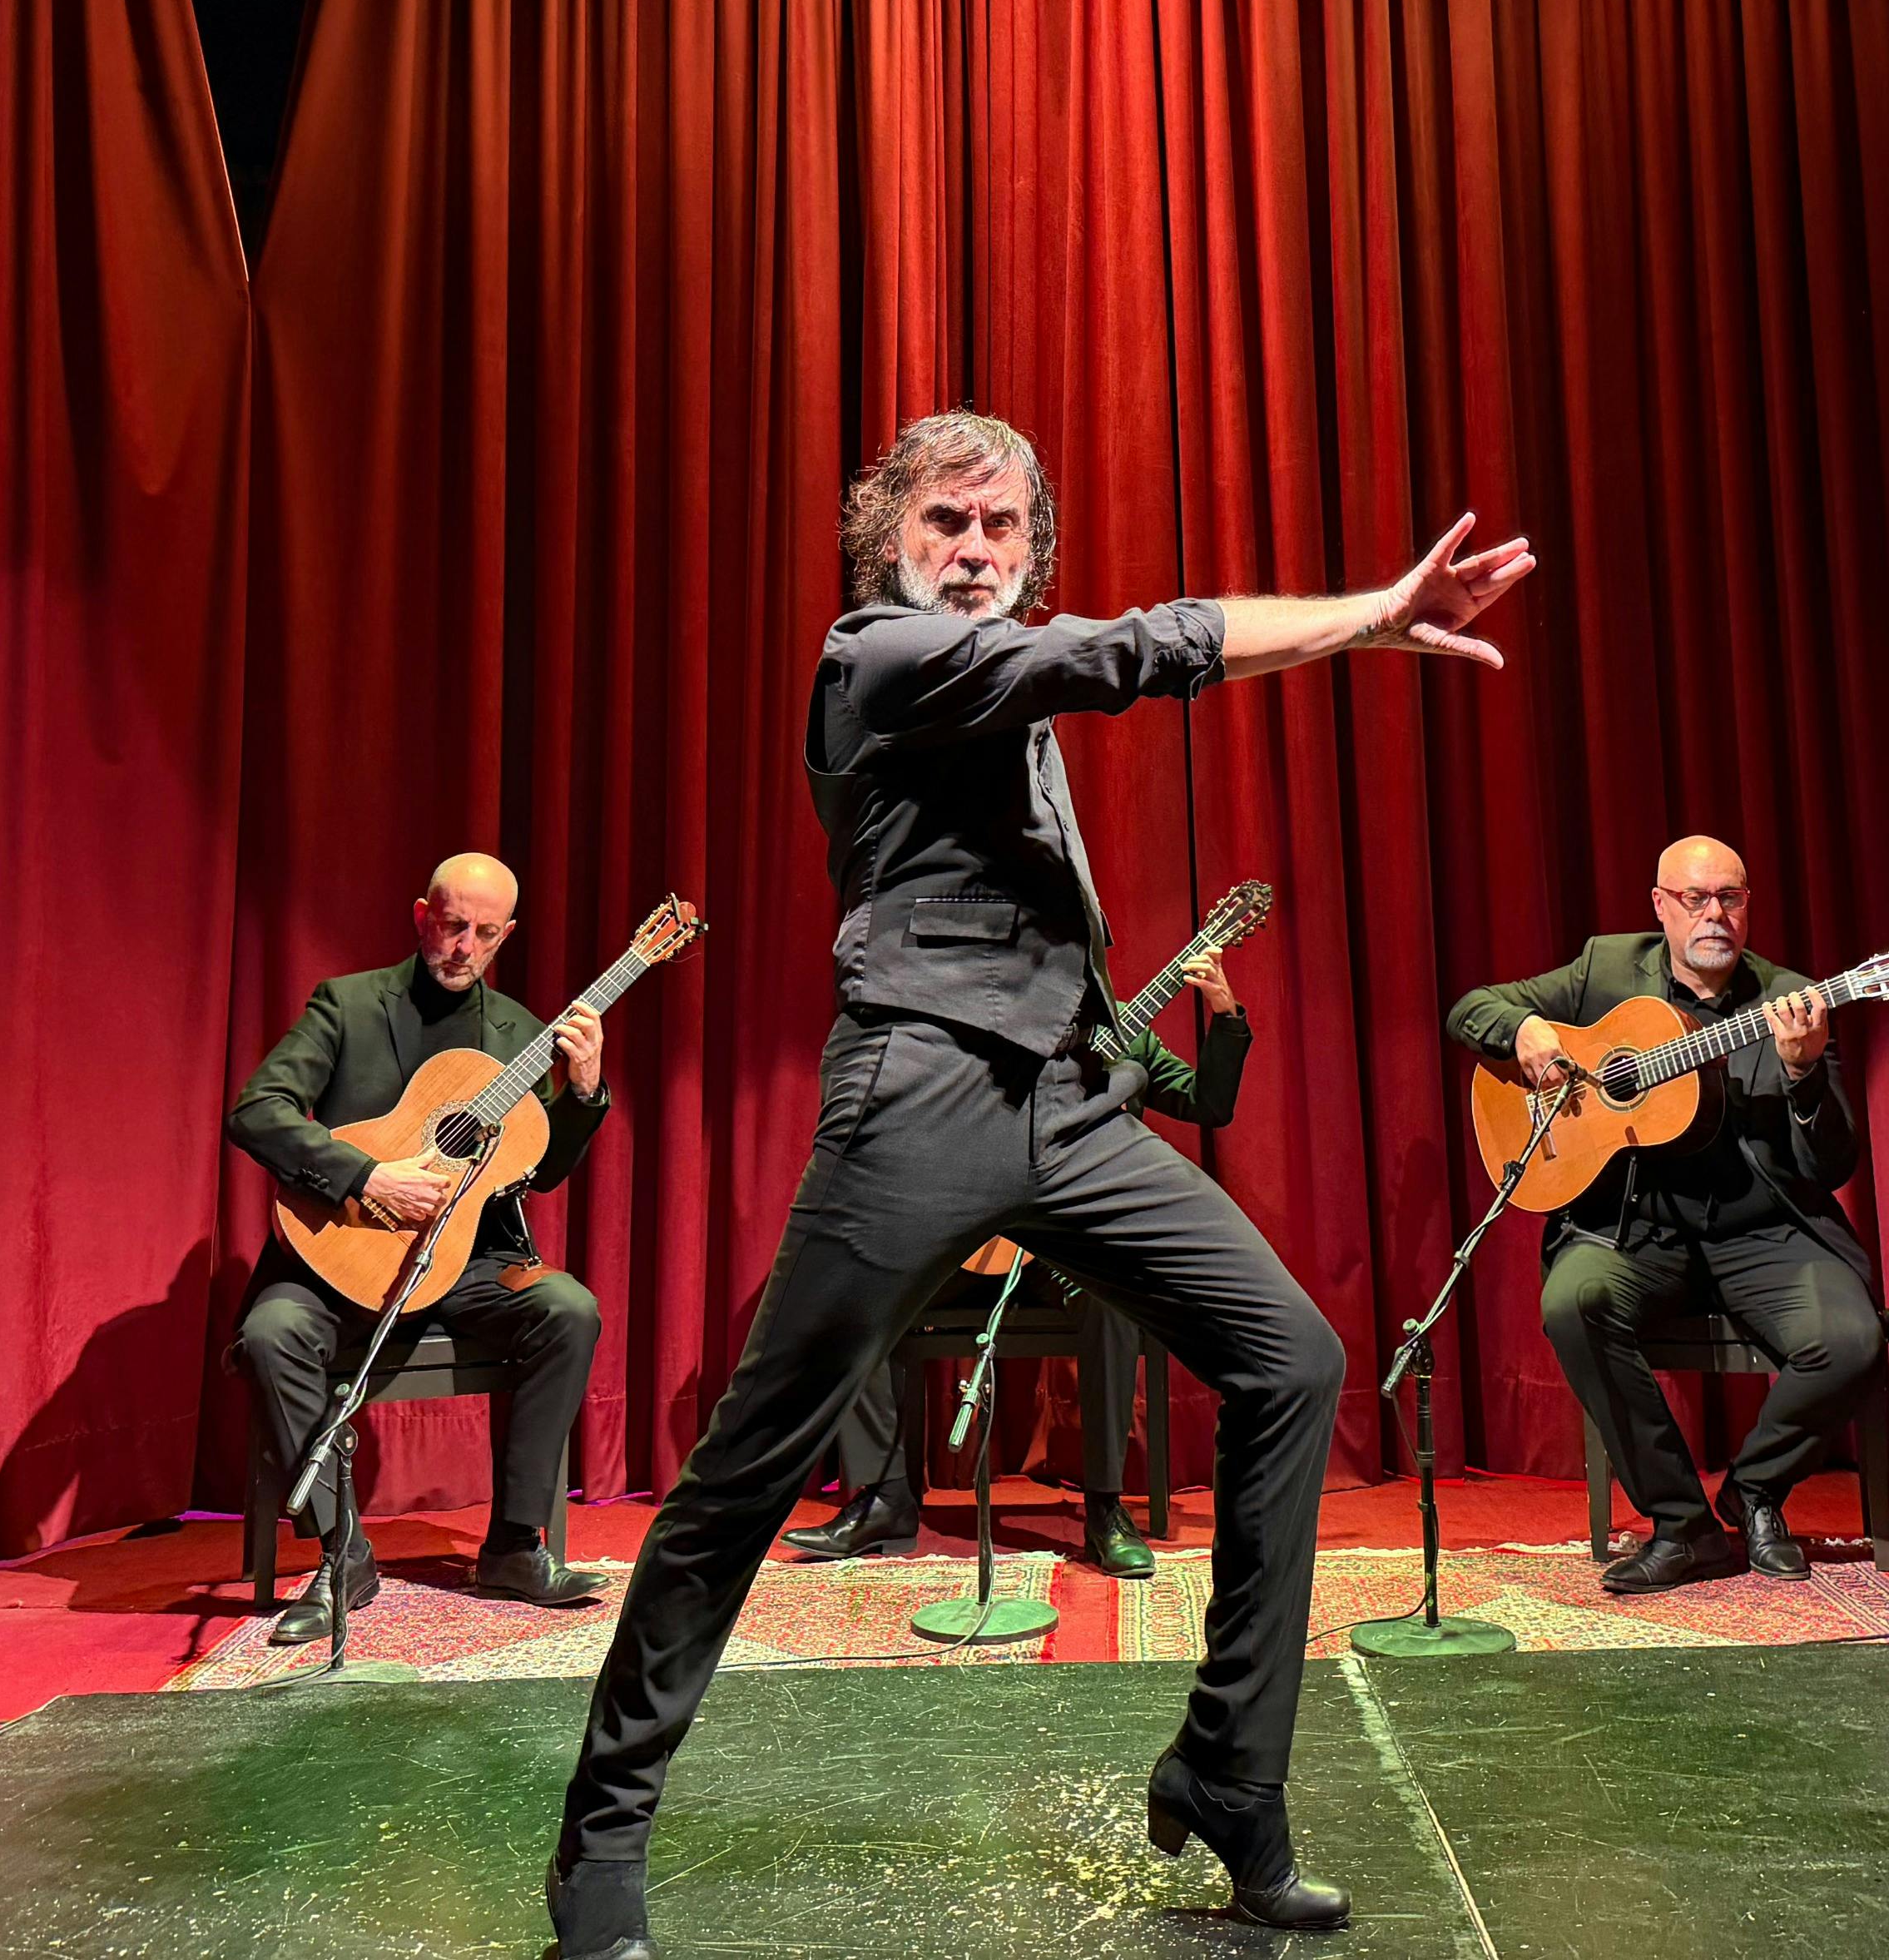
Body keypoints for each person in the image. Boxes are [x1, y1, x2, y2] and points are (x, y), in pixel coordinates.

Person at [545, 409, 1532, 1960]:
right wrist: (1371, 618)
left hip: (1066, 1102)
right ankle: (600, 1843)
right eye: (949, 522)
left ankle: (1228, 1773)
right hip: (917, 1094)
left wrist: (1114, 1053)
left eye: (1004, 532)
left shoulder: (997, 675)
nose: (977, 552)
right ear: (890, 539)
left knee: (1294, 1359)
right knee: (746, 1469)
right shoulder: (871, 657)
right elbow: (1125, 654)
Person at [1445, 837, 1882, 1592]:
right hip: (1636, 1227)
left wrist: (1805, 1074)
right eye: (1696, 899)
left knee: (1849, 1341)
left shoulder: (1793, 998)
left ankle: (1754, 1492)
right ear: (1660, 906)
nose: (1715, 915)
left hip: (1762, 1228)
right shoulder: (1605, 970)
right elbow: (1469, 1008)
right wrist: (1524, 1032)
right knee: (1572, 1302)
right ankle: (1682, 1527)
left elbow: (1832, 1164)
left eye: (1732, 899)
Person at [225, 854, 611, 1644]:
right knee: (270, 1335)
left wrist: (581, 1093)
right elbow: (256, 1110)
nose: (464, 945)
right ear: (420, 915)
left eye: (484, 932)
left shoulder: (519, 1035)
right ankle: (345, 1555)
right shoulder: (348, 1005)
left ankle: (512, 1548)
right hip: (343, 1252)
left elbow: (543, 1170)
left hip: (462, 1260)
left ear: (508, 936)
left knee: (568, 1310)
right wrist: (369, 1175)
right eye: (451, 924)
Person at [783, 948, 1253, 1578]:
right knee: (860, 1294)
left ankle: (1106, 1510)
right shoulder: (982, 1034)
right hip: (972, 1241)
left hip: (1063, 1253)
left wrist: (1225, 1014)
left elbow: (1209, 1104)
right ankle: (881, 1498)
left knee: (1114, 1299)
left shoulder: (1131, 1037)